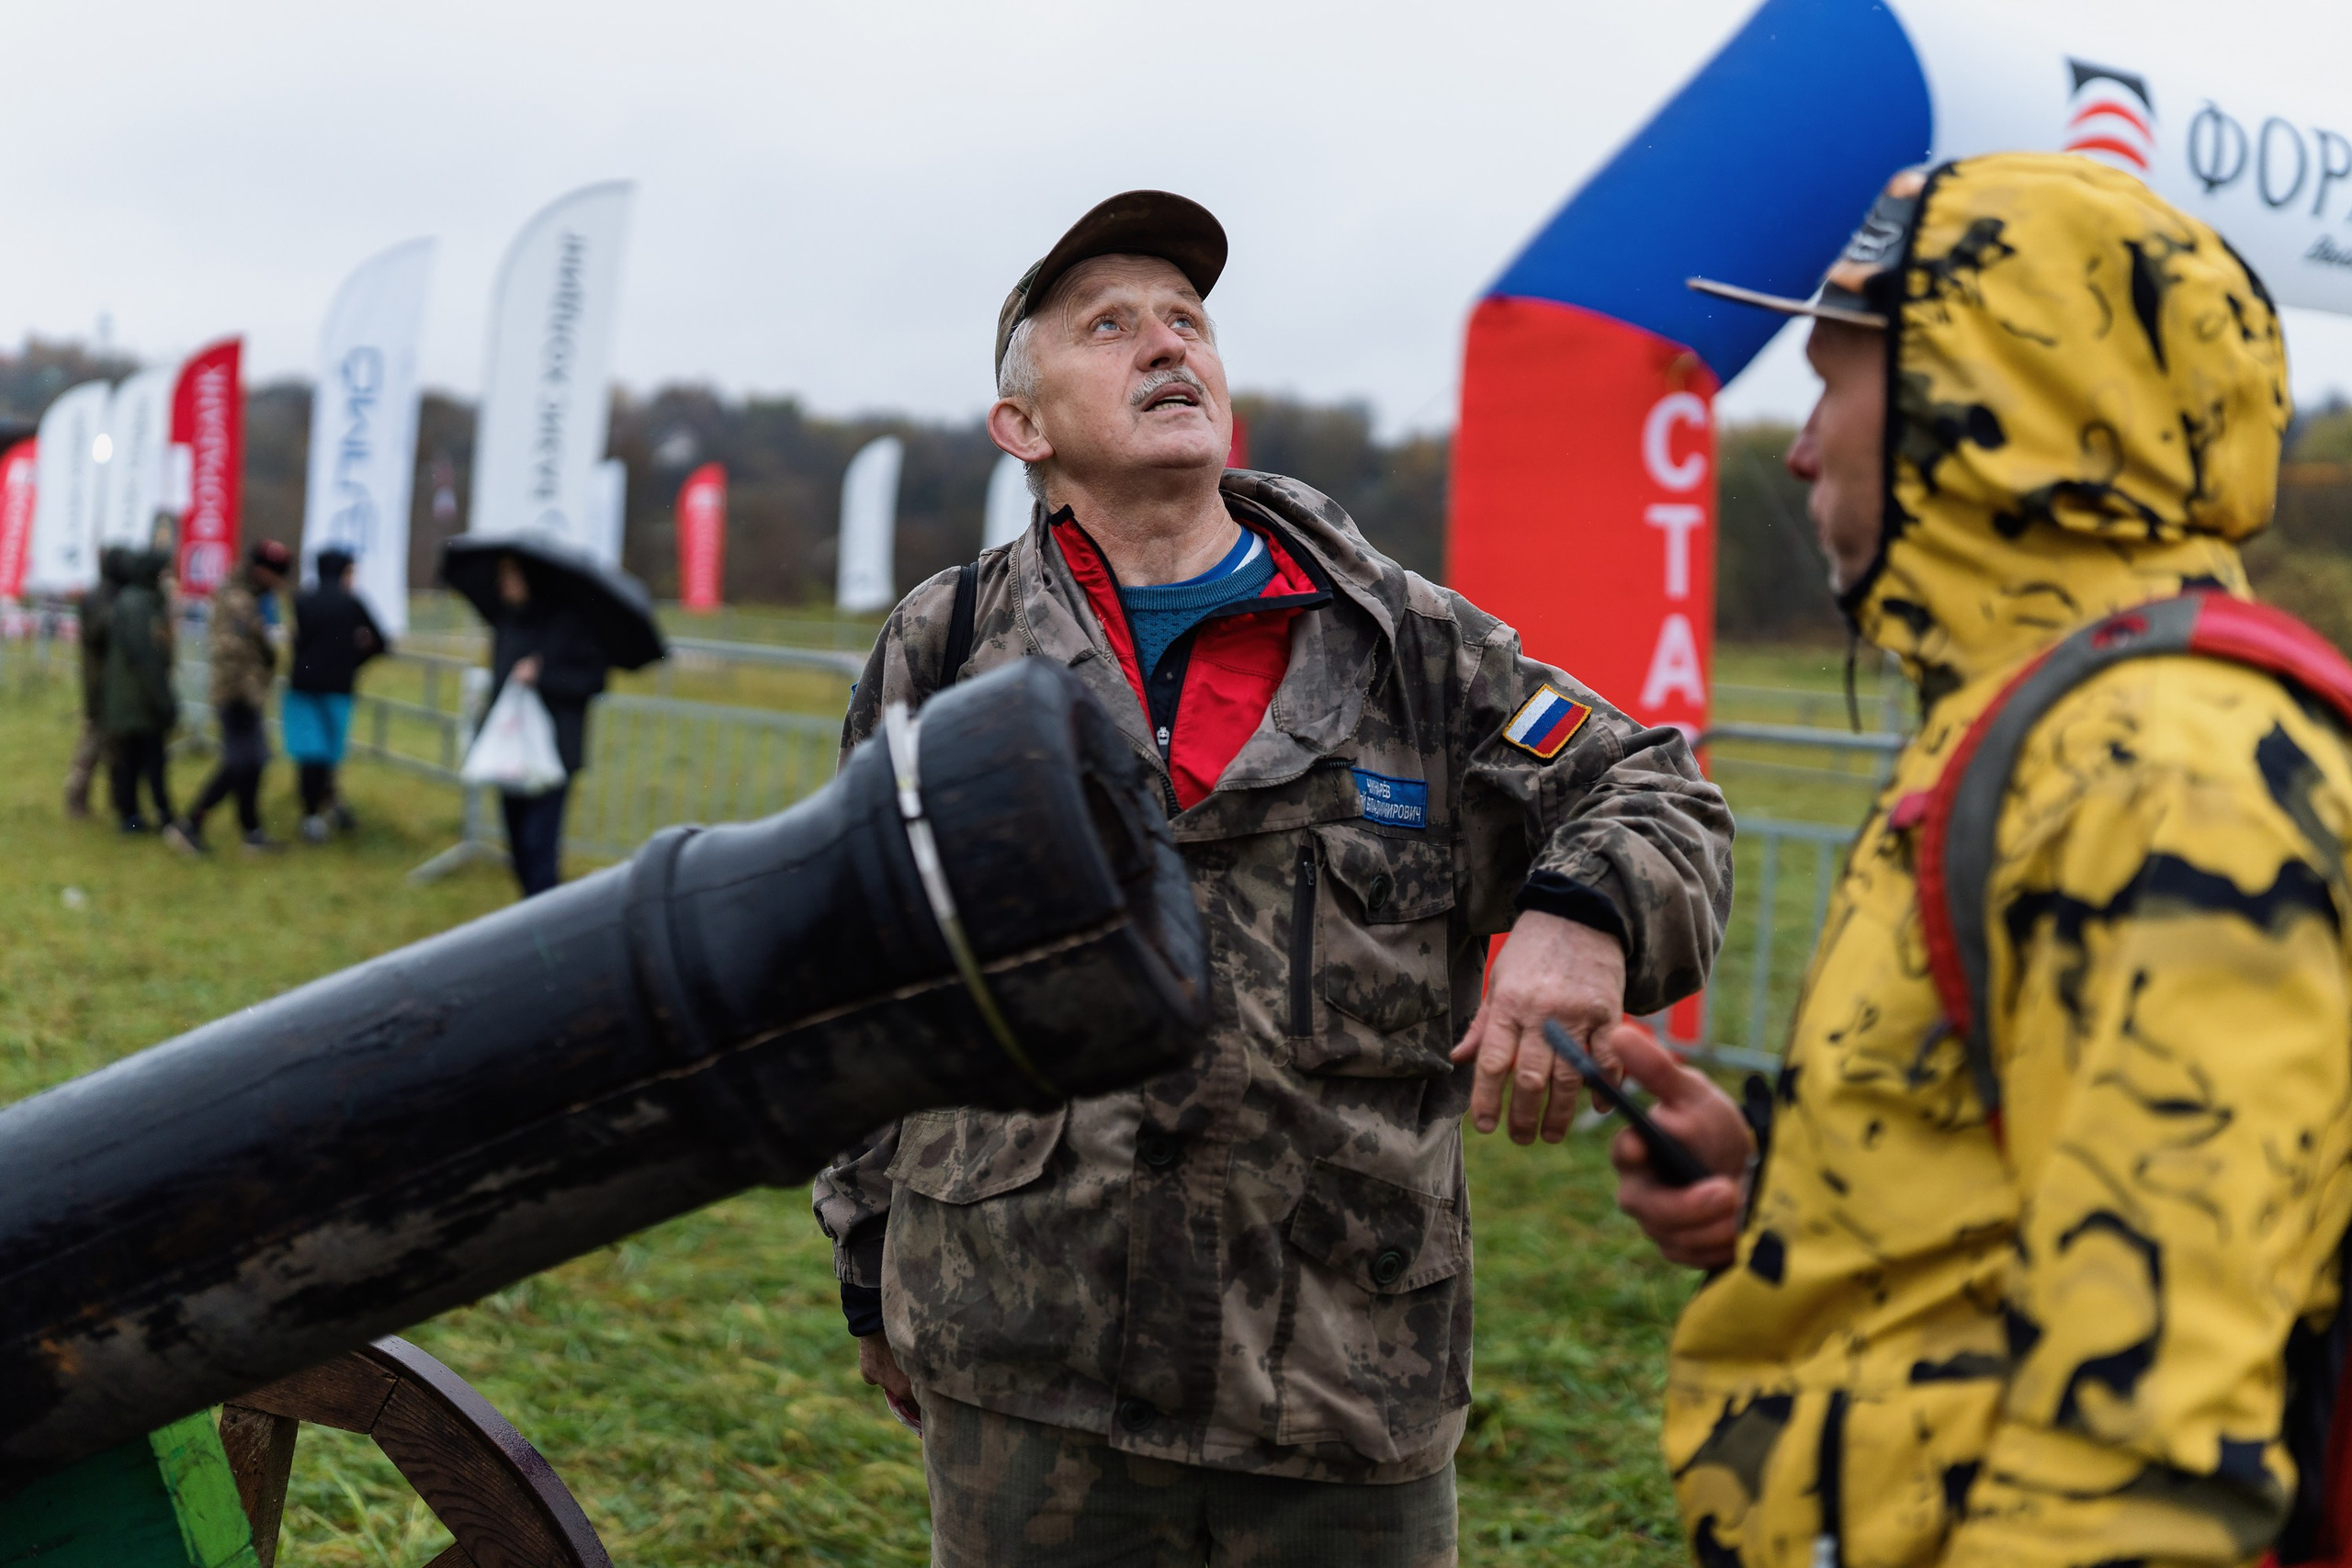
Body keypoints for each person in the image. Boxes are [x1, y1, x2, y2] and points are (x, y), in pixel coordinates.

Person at [809, 190, 1735, 1566]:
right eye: (1110, 325)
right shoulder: (945, 650)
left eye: (1188, 320)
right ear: (1025, 425)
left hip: (1341, 1389)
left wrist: (1578, 915)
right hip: (1023, 1374)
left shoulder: (1409, 645)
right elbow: (855, 971)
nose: (1167, 345)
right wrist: (869, 1266)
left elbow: (1661, 790)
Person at [1601, 153, 2352, 1565]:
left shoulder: (2160, 767)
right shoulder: (2042, 720)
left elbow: (2142, 1448)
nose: (1803, 446)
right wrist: (1778, 1185)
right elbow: (2053, 1190)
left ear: (1989, 399)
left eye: (1837, 380)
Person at [482, 552, 607, 897]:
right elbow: (500, 683)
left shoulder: (570, 624)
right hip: (509, 751)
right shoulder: (507, 622)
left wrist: (544, 675)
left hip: (553, 752)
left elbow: (593, 680)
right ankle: (531, 912)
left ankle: (545, 926)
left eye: (512, 577)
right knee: (518, 845)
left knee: (540, 844)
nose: (505, 585)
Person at [168, 539, 290, 854]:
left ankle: (252, 831)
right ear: (262, 571)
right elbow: (231, 651)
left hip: (245, 692)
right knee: (240, 763)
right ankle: (190, 825)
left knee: (254, 761)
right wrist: (252, 686)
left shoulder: (249, 595)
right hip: (236, 693)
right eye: (276, 574)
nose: (279, 582)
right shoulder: (239, 599)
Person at [286, 548, 386, 842]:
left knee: (308, 753)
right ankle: (328, 805)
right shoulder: (352, 603)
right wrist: (353, 660)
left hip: (303, 686)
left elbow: (297, 642)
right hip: (338, 687)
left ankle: (311, 814)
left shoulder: (302, 601)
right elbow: (381, 641)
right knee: (329, 751)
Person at [100, 549, 177, 833]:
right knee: (147, 760)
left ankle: (133, 814)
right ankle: (155, 815)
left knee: (132, 761)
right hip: (139, 701)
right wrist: (164, 701)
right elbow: (146, 658)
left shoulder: (137, 601)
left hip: (131, 698)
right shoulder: (139, 605)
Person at [64, 547, 131, 819]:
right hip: (99, 683)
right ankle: (76, 800)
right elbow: (98, 632)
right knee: (92, 744)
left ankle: (116, 800)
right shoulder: (98, 599)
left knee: (115, 746)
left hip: (110, 682)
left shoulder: (108, 596)